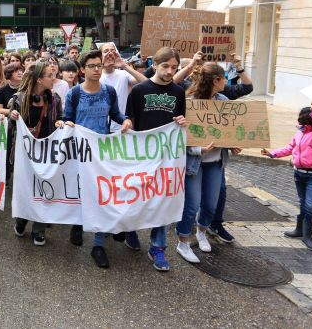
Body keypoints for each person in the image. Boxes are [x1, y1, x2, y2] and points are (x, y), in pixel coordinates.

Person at [63, 51, 132, 268]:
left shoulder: (109, 92)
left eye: (99, 65)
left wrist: (126, 120)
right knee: (82, 191)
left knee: (103, 194)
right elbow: (67, 119)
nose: (96, 69)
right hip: (80, 150)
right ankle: (77, 222)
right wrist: (66, 125)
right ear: (82, 70)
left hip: (102, 151)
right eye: (91, 65)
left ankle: (98, 244)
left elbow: (116, 114)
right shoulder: (73, 94)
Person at [125, 47, 187, 272]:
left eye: (174, 67)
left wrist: (181, 121)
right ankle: (130, 229)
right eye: (165, 66)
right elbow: (129, 116)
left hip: (166, 157)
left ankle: (158, 247)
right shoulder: (139, 90)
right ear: (155, 65)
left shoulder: (179, 92)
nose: (170, 71)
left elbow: (182, 119)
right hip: (141, 155)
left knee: (163, 200)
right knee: (137, 196)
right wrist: (128, 123)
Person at [175, 63, 240, 264]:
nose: (227, 82)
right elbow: (177, 137)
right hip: (195, 163)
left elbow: (228, 130)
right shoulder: (189, 103)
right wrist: (197, 149)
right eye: (224, 78)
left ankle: (202, 231)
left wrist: (233, 145)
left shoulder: (224, 102)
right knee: (192, 205)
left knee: (211, 205)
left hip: (215, 163)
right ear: (215, 80)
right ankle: (183, 242)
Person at [262, 100, 312, 251]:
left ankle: (308, 237)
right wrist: (272, 153)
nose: (298, 119)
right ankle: (300, 230)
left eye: (301, 117)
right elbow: (290, 148)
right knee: (302, 203)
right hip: (299, 173)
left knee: (310, 206)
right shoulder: (300, 132)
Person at [9, 62, 65, 246]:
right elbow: (10, 129)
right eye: (50, 75)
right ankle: (22, 219)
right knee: (26, 189)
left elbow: (60, 119)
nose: (54, 78)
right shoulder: (18, 99)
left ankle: (39, 229)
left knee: (44, 189)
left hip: (46, 153)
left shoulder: (54, 99)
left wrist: (61, 123)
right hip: (25, 154)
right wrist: (12, 117)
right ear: (40, 79)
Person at [99, 42, 147, 133]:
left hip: (123, 125)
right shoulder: (96, 75)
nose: (110, 53)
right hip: (101, 127)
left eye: (113, 51)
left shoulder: (123, 74)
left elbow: (146, 83)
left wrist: (124, 66)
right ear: (100, 55)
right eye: (106, 51)